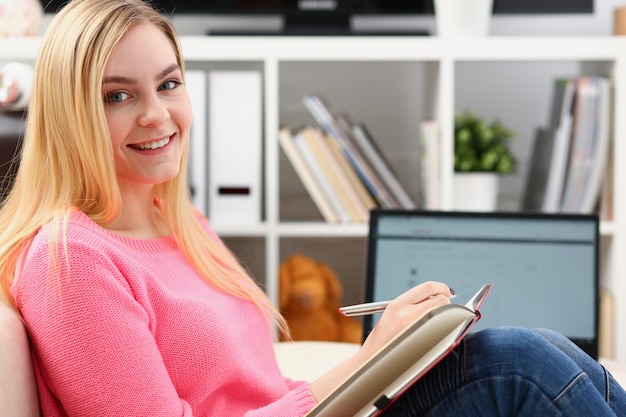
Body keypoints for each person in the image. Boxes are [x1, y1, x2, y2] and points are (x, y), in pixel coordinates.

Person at [0, 0, 623, 416]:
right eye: (118, 95)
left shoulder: (178, 222)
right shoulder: (70, 261)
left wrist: (381, 360)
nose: (157, 115)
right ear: (69, 112)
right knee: (519, 365)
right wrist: (372, 359)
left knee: (549, 357)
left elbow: (258, 390)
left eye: (168, 84)